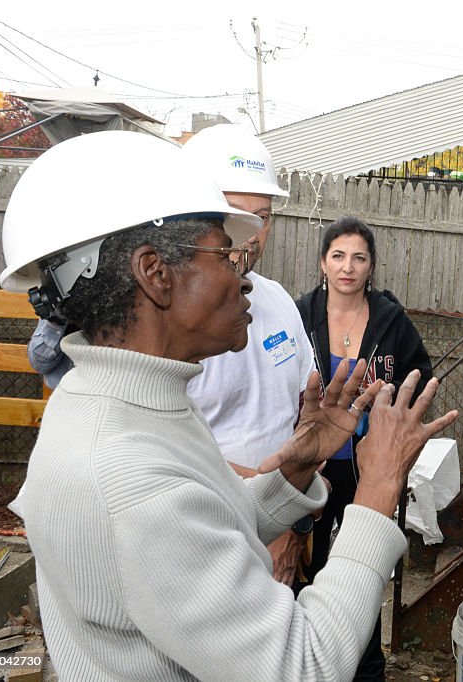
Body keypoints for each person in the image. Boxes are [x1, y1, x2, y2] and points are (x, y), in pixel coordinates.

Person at [0, 130, 456, 681]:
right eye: (222, 252)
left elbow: (203, 517)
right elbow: (304, 665)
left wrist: (291, 472)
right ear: (155, 273)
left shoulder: (120, 401)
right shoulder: (129, 476)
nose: (241, 273)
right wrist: (378, 488)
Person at [295, 215, 432, 680]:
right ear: (322, 264)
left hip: (367, 471)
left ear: (371, 267)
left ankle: (366, 667)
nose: (348, 267)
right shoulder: (299, 316)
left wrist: (390, 403)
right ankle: (305, 661)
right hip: (309, 468)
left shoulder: (391, 321)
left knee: (363, 569)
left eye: (359, 257)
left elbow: (423, 378)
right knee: (305, 570)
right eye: (338, 256)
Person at [182, 124, 317, 587]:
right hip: (200, 542)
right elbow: (169, 451)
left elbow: (308, 417)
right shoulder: (164, 321)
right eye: (235, 214)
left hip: (283, 533)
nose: (252, 233)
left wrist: (293, 523)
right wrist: (275, 514)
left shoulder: (279, 301)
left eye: (262, 215)